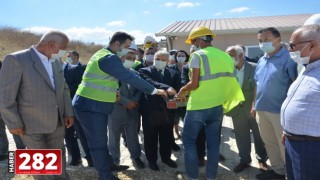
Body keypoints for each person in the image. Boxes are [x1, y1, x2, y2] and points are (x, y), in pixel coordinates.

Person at [72, 31, 167, 180]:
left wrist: (155, 86)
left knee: (101, 140)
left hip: (96, 104)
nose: (129, 49)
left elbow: (131, 75)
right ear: (117, 44)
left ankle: (109, 164)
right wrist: (154, 91)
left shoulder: (107, 55)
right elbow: (128, 77)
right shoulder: (108, 58)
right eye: (127, 46)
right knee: (97, 143)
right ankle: (105, 175)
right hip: (89, 106)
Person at [0, 30, 74, 180]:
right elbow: (5, 96)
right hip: (29, 125)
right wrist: (13, 122)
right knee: (42, 168)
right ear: (51, 45)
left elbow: (63, 87)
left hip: (57, 122)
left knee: (58, 163)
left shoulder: (56, 61)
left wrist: (68, 111)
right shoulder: (16, 59)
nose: (65, 53)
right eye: (63, 48)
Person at [177, 26, 244, 180]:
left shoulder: (197, 56)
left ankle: (193, 177)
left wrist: (182, 90)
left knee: (189, 141)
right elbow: (230, 81)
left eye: (194, 41)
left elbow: (193, 84)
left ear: (200, 40)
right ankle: (211, 177)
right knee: (213, 144)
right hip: (217, 106)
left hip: (198, 106)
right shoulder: (226, 56)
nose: (193, 44)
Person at [252, 27, 297, 180]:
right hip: (261, 110)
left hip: (279, 111)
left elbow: (295, 84)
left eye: (266, 40)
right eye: (260, 41)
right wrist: (254, 105)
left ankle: (290, 174)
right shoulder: (261, 60)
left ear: (278, 40)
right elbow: (257, 84)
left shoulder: (289, 59)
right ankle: (278, 171)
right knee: (269, 143)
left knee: (284, 145)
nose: (262, 43)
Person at [281, 24, 320, 180]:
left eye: (292, 46)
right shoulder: (307, 67)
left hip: (311, 147)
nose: (290, 50)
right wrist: (287, 130)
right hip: (293, 140)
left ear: (312, 45)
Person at [225, 45, 268, 173]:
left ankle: (262, 159)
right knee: (241, 137)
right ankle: (244, 160)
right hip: (237, 110)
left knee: (259, 136)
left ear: (241, 55)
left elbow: (259, 88)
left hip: (253, 108)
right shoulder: (227, 70)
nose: (228, 58)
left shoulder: (255, 68)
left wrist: (255, 105)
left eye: (231, 55)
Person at [139, 50, 181, 171]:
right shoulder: (144, 71)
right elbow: (149, 83)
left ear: (168, 61)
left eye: (163, 60)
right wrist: (167, 87)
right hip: (150, 111)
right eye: (158, 58)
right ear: (153, 59)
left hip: (168, 111)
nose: (160, 61)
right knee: (150, 138)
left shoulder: (173, 73)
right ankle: (152, 161)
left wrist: (177, 97)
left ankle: (166, 158)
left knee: (167, 137)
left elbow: (177, 89)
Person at [108, 42, 145, 169]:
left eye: (133, 59)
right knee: (114, 137)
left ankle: (136, 157)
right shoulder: (112, 74)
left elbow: (139, 89)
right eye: (128, 58)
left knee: (133, 136)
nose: (131, 61)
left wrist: (133, 102)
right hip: (115, 111)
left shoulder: (135, 74)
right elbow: (111, 91)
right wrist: (126, 102)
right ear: (121, 58)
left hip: (132, 111)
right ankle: (114, 159)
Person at [63, 51, 93, 167]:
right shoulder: (64, 68)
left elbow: (81, 85)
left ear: (76, 57)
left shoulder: (82, 68)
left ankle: (91, 158)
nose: (67, 58)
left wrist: (64, 88)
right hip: (66, 107)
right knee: (68, 135)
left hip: (79, 106)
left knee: (82, 135)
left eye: (69, 56)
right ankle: (75, 158)